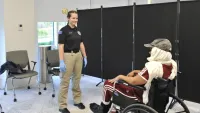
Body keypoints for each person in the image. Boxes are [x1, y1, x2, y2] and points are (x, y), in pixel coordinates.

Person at [90, 38, 177, 113]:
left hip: (141, 95)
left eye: (151, 49)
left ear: (158, 52)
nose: (150, 51)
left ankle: (103, 110)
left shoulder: (153, 66)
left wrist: (120, 76)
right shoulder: (170, 64)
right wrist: (136, 71)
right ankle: (113, 108)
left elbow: (134, 81)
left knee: (108, 84)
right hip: (159, 96)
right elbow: (155, 75)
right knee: (121, 84)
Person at [58, 10, 87, 113]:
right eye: (73, 18)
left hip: (78, 56)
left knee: (77, 79)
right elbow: (61, 47)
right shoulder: (63, 31)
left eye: (76, 18)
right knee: (65, 81)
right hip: (67, 56)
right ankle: (62, 105)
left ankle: (77, 100)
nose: (75, 20)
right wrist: (61, 61)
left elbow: (81, 44)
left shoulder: (78, 31)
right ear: (68, 18)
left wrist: (85, 56)